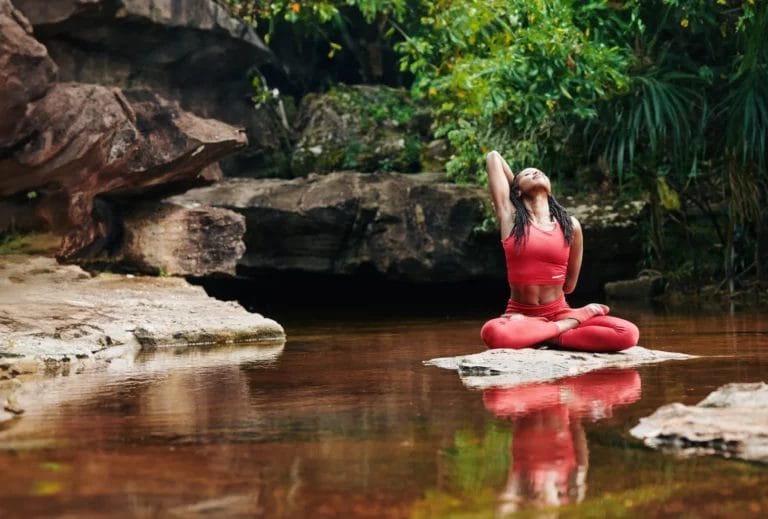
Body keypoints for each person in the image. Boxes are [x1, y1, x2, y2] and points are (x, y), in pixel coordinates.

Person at [480, 151, 639, 351]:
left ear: (550, 189)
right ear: (517, 191)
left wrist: (524, 181)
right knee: (491, 332)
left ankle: (538, 336)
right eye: (528, 174)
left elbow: (569, 286)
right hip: (520, 313)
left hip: (557, 311)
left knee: (628, 333)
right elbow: (493, 158)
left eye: (539, 172)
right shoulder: (510, 218)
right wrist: (515, 193)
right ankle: (564, 328)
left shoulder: (571, 227)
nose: (535, 173)